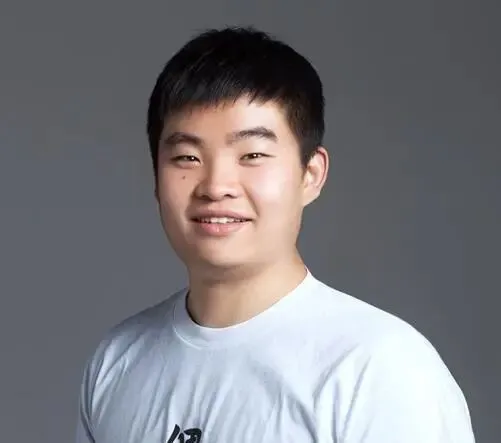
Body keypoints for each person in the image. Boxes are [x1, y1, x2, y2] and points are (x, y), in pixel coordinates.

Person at [75, 26, 475, 443]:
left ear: (311, 174)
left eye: (252, 155)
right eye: (187, 157)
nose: (216, 186)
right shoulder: (118, 360)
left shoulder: (379, 369)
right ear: (156, 177)